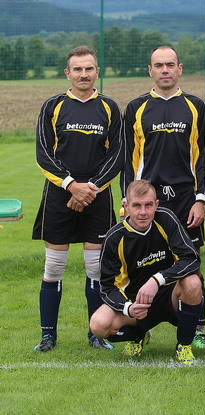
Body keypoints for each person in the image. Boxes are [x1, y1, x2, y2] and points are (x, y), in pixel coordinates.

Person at [32, 46, 123, 352]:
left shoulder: (109, 107)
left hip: (97, 197)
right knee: (53, 267)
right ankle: (48, 335)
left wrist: (89, 189)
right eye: (77, 69)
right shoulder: (53, 106)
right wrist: (72, 186)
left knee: (95, 269)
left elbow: (117, 156)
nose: (84, 74)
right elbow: (43, 153)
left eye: (89, 69)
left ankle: (96, 333)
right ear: (67, 73)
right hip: (59, 195)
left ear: (97, 72)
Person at [121, 46, 205, 348]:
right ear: (150, 70)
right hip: (147, 201)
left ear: (180, 68)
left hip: (186, 199)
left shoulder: (195, 106)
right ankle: (140, 328)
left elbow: (203, 157)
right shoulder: (136, 107)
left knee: (191, 263)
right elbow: (128, 158)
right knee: (142, 263)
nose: (165, 70)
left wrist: (201, 199)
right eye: (158, 65)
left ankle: (197, 329)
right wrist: (126, 200)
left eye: (170, 64)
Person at [89, 180, 203, 365]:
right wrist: (128, 308)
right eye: (136, 206)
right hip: (137, 303)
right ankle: (138, 335)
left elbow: (191, 259)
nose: (143, 212)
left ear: (156, 204)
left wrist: (157, 280)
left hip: (170, 296)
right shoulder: (114, 238)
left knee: (193, 282)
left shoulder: (166, 219)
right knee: (99, 324)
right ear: (126, 206)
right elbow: (108, 287)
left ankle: (184, 345)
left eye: (148, 205)